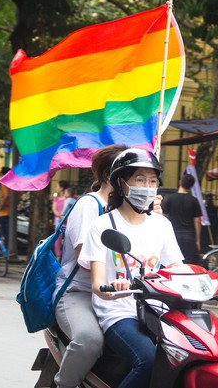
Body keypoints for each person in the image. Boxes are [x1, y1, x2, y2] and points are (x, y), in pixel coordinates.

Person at [79, 148, 185, 388]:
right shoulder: (103, 225)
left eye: (152, 180)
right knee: (149, 361)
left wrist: (213, 279)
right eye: (140, 179)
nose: (147, 186)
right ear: (121, 182)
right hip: (118, 312)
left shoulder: (161, 225)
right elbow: (97, 286)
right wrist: (116, 287)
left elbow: (178, 267)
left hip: (156, 309)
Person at [52, 144, 126, 388]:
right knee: (89, 339)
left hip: (123, 294)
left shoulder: (132, 211)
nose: (137, 183)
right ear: (109, 176)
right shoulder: (89, 205)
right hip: (80, 293)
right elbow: (85, 258)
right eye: (131, 175)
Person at [162, 173, 202, 264]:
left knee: (172, 264)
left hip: (173, 235)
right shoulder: (194, 201)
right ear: (191, 186)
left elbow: (162, 216)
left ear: (180, 182)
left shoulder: (169, 198)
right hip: (189, 237)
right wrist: (198, 240)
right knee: (188, 264)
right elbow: (197, 221)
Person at [0, 166, 11, 247]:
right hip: (11, 212)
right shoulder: (12, 183)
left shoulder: (4, 183)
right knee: (9, 234)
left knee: (5, 234)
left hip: (4, 213)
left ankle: (7, 251)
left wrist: (1, 206)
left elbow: (6, 195)